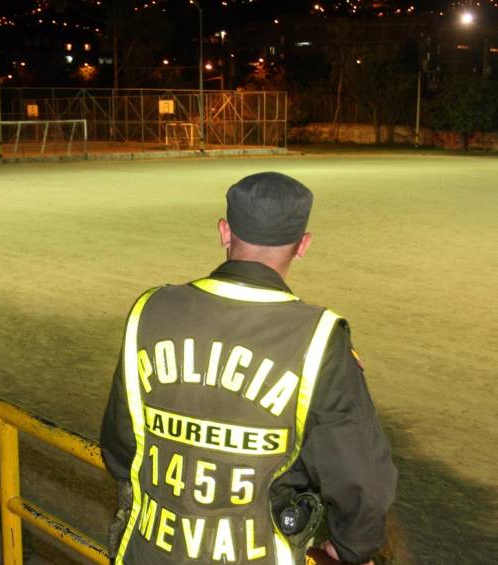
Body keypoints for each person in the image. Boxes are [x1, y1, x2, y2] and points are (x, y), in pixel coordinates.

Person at [100, 172, 396, 565]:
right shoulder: (318, 337)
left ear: (225, 231)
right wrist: (350, 548)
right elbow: (361, 479)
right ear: (303, 245)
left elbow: (120, 448)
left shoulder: (150, 310)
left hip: (147, 553)